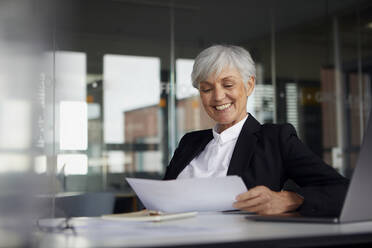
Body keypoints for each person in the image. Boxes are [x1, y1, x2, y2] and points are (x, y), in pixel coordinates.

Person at [164, 44, 349, 217]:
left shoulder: (275, 140)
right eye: (206, 89)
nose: (218, 97)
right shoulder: (189, 142)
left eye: (228, 85)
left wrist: (291, 199)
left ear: (249, 85)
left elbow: (343, 190)